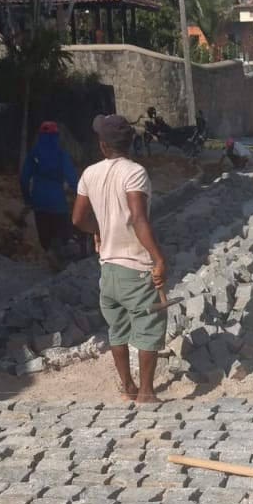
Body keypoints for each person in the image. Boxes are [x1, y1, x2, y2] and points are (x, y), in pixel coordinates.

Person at [73, 114, 169, 403]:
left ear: (103, 146)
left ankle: (127, 386)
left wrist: (98, 231)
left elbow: (77, 218)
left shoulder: (89, 174)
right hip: (136, 267)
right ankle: (146, 392)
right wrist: (159, 259)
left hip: (108, 268)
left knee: (117, 329)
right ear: (131, 143)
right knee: (149, 326)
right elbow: (138, 219)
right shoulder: (134, 172)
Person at [19, 120, 79, 261]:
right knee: (62, 237)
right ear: (56, 136)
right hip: (58, 203)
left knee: (45, 239)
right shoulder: (61, 154)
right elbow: (73, 179)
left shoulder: (33, 154)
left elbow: (23, 180)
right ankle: (61, 260)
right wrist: (81, 197)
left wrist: (28, 199)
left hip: (39, 202)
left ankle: (50, 255)